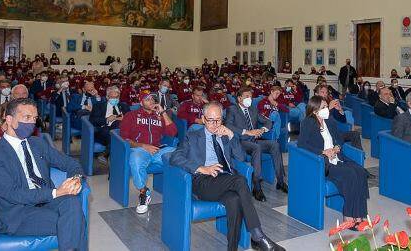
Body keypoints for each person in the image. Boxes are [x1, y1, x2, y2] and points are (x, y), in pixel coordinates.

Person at [169, 103, 285, 251]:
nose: (215, 124)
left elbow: (241, 157)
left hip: (226, 180)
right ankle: (257, 235)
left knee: (234, 200)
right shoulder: (192, 136)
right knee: (240, 180)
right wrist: (201, 168)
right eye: (211, 120)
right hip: (204, 182)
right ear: (203, 119)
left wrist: (231, 136)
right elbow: (175, 157)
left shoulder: (224, 136)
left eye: (218, 120)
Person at [0, 98, 87, 251]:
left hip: (48, 200)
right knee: (74, 221)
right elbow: (13, 193)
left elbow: (70, 163)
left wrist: (75, 179)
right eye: (26, 118)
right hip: (19, 212)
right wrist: (56, 192)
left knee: (72, 204)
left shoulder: (38, 143)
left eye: (34, 118)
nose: (31, 123)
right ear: (9, 119)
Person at [297, 96, 369, 225]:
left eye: (326, 106)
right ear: (314, 111)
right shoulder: (308, 122)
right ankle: (348, 215)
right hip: (323, 162)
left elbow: (339, 139)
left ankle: (360, 214)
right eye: (323, 107)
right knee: (350, 174)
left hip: (337, 158)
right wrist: (323, 152)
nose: (326, 109)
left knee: (360, 171)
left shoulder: (329, 120)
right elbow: (302, 144)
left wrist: (336, 147)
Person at [119, 91, 177, 214]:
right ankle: (144, 192)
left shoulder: (159, 117)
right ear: (141, 102)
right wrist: (143, 146)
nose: (151, 101)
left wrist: (162, 112)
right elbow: (124, 139)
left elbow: (173, 132)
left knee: (178, 153)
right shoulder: (131, 116)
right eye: (147, 99)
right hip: (140, 149)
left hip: (158, 150)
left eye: (152, 99)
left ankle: (177, 192)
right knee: (135, 158)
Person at [225, 88, 287, 202]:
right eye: (246, 96)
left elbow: (267, 121)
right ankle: (256, 186)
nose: (249, 98)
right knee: (256, 147)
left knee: (275, 145)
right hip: (240, 142)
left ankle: (280, 181)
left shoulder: (253, 109)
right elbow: (228, 125)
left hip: (254, 140)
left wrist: (262, 130)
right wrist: (247, 132)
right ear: (239, 98)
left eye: (250, 96)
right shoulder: (232, 109)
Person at [316, 85, 363, 150]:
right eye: (322, 92)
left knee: (356, 134)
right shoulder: (313, 106)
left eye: (326, 93)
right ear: (316, 94)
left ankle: (359, 156)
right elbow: (316, 120)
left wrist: (340, 110)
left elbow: (343, 121)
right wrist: (329, 108)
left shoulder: (328, 103)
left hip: (336, 133)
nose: (325, 94)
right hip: (324, 135)